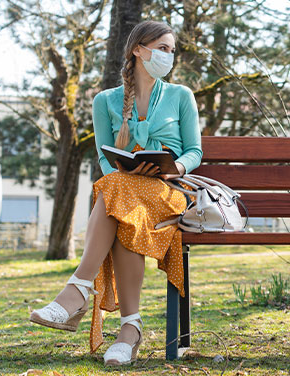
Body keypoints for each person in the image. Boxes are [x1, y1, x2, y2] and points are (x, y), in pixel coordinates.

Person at [29, 21, 202, 366]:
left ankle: (78, 291)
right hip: (124, 190)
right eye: (161, 48)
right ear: (138, 49)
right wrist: (126, 173)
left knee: (116, 196)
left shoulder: (181, 96)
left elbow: (194, 152)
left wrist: (175, 168)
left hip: (169, 190)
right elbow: (105, 160)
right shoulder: (104, 101)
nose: (168, 56)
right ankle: (129, 330)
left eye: (171, 50)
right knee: (121, 199)